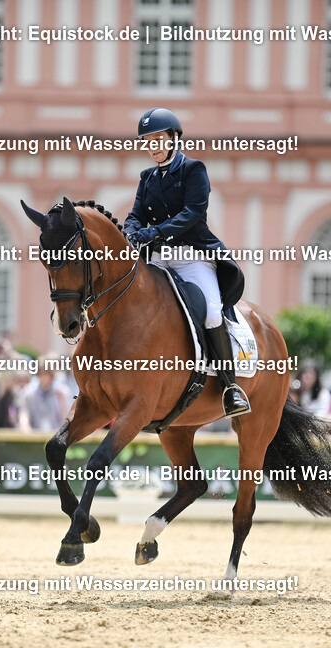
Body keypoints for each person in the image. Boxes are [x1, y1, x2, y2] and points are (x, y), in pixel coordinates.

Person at [123, 106, 249, 417]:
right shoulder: (147, 178)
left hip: (192, 259)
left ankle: (231, 386)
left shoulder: (193, 170)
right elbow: (134, 214)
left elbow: (192, 214)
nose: (152, 146)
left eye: (158, 139)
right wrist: (131, 231)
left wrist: (153, 232)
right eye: (147, 141)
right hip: (159, 262)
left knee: (211, 313)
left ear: (174, 138)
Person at [24, 354, 72, 431]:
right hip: (36, 435)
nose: (42, 377)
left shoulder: (62, 392)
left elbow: (67, 418)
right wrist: (25, 427)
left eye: (45, 373)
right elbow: (25, 415)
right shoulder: (30, 393)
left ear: (51, 375)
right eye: (40, 373)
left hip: (56, 436)